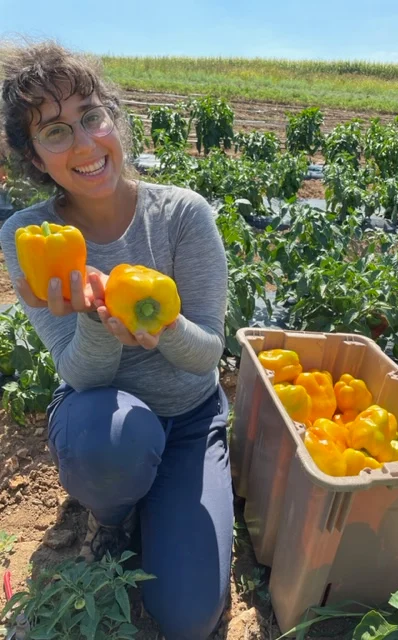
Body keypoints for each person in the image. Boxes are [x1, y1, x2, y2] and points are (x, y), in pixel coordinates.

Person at [0, 41, 233, 640]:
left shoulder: (184, 215)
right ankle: (113, 515)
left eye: (91, 116)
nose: (83, 144)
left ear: (114, 119)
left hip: (186, 416)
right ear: (33, 156)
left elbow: (208, 353)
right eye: (54, 132)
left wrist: (163, 329)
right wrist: (92, 319)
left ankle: (167, 490)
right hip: (102, 418)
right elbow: (80, 375)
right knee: (113, 440)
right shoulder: (26, 235)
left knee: (188, 616)